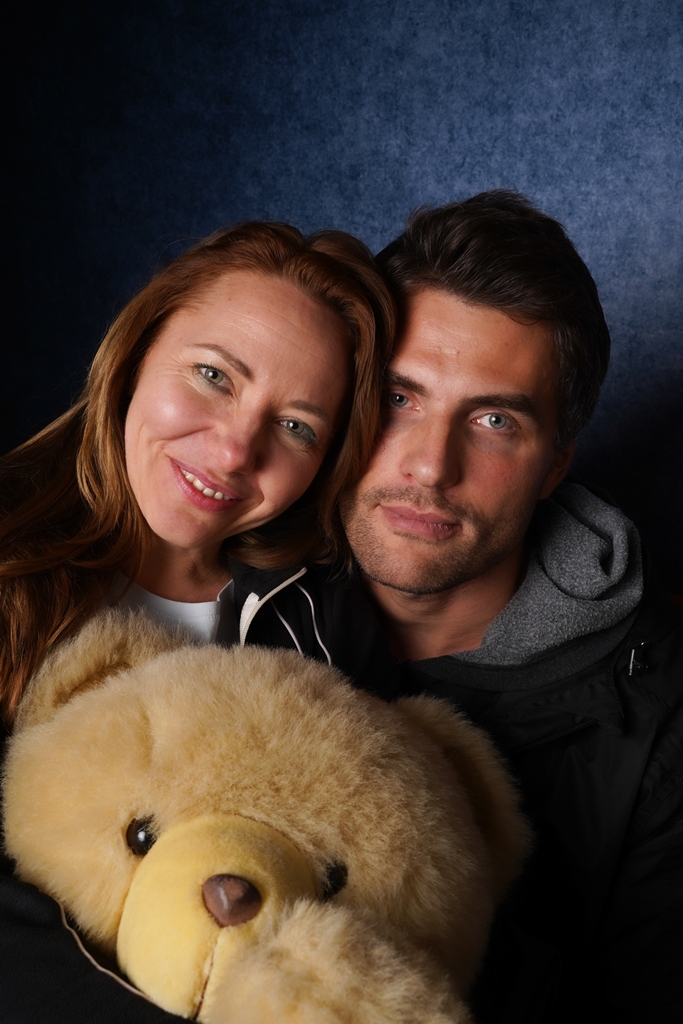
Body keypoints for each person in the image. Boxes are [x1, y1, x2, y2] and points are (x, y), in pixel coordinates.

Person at [0, 220, 396, 1021]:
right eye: (214, 375)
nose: (235, 450)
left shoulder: (325, 627)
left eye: (296, 426)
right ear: (137, 349)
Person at [335, 191, 683, 1023]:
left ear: (554, 464)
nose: (430, 466)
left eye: (493, 419)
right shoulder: (227, 596)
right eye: (399, 398)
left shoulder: (660, 718)